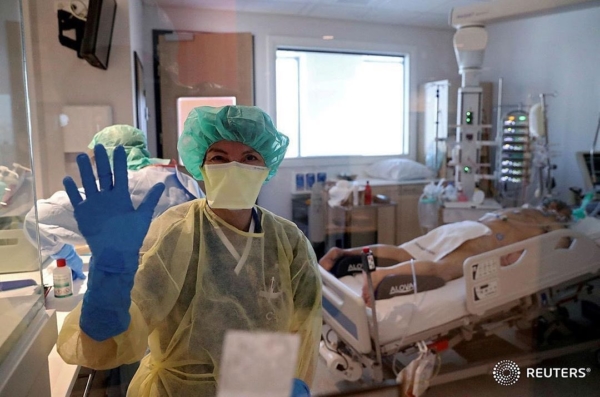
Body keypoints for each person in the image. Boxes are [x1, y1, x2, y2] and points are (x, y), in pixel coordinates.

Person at [56, 106, 322, 397]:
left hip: (259, 387)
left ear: (266, 168)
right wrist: (108, 278)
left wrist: (291, 384)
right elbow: (112, 342)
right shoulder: (176, 231)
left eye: (249, 158)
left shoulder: (288, 241)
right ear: (201, 167)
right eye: (219, 157)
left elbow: (303, 332)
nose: (234, 166)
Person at [23, 124, 202, 280]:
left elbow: (36, 218)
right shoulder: (183, 180)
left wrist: (67, 256)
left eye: (95, 159)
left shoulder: (117, 188)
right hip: (187, 284)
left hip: (133, 291)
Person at [320, 199, 572, 305]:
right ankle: (379, 274)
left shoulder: (520, 208)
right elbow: (556, 249)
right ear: (560, 212)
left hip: (465, 227)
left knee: (404, 251)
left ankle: (344, 253)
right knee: (443, 269)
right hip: (484, 238)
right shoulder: (551, 225)